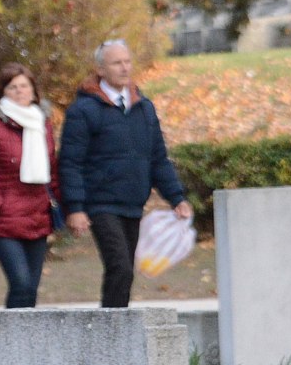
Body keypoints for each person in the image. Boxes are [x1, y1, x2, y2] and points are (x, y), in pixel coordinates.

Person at [58, 39, 192, 308]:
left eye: (127, 61)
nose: (124, 67)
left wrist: (176, 197)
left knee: (125, 273)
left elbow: (157, 159)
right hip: (101, 203)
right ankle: (111, 332)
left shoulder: (144, 108)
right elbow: (70, 162)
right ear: (100, 69)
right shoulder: (83, 110)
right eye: (116, 63)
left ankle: (116, 326)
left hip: (133, 203)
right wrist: (75, 208)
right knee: (120, 267)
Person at [0, 62, 60, 309]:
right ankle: (8, 346)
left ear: (33, 90)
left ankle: (26, 347)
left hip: (37, 217)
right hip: (4, 220)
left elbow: (52, 170)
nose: (20, 91)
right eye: (13, 87)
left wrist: (64, 207)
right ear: (3, 92)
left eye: (24, 86)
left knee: (31, 291)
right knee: (21, 285)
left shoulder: (43, 124)